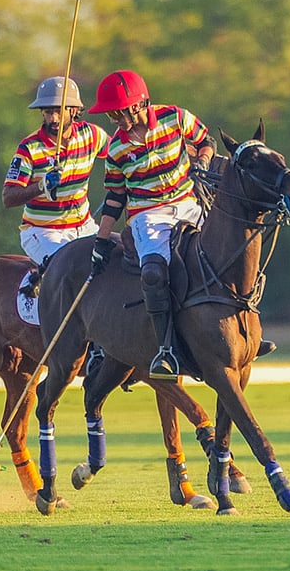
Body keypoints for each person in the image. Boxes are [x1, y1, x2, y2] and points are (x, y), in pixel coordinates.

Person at [86, 69, 214, 381]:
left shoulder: (177, 118)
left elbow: (205, 140)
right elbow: (115, 196)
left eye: (117, 112)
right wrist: (102, 240)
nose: (114, 119)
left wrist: (202, 162)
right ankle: (166, 349)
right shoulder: (116, 148)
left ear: (136, 105)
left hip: (188, 203)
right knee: (155, 272)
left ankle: (244, 330)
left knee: (222, 252)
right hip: (148, 214)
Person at [2, 76, 109, 297]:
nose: (53, 118)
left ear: (74, 110)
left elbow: (120, 151)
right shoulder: (29, 148)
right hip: (42, 231)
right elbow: (8, 197)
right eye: (48, 112)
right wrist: (40, 186)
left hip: (85, 227)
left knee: (114, 263)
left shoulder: (92, 135)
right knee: (68, 271)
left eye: (59, 111)